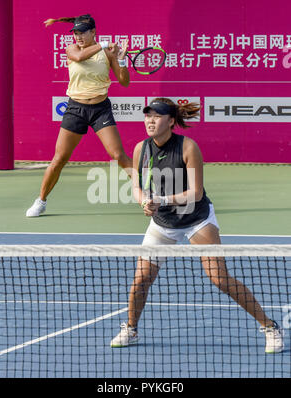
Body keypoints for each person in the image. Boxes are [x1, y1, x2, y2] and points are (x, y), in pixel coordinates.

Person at [110, 97, 284, 353]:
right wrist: (143, 202)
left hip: (196, 220)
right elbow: (137, 186)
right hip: (163, 223)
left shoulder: (188, 147)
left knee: (219, 279)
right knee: (140, 281)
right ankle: (131, 328)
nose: (150, 120)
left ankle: (270, 327)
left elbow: (196, 193)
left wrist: (161, 199)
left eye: (156, 116)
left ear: (170, 121)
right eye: (148, 115)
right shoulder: (141, 149)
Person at [26, 14, 132, 217]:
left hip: (100, 109)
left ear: (93, 31)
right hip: (75, 108)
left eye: (82, 32)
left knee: (118, 155)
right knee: (59, 159)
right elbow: (79, 57)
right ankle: (41, 201)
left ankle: (149, 195)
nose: (78, 36)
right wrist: (104, 44)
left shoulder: (107, 54)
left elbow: (124, 81)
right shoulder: (72, 49)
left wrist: (121, 59)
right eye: (75, 32)